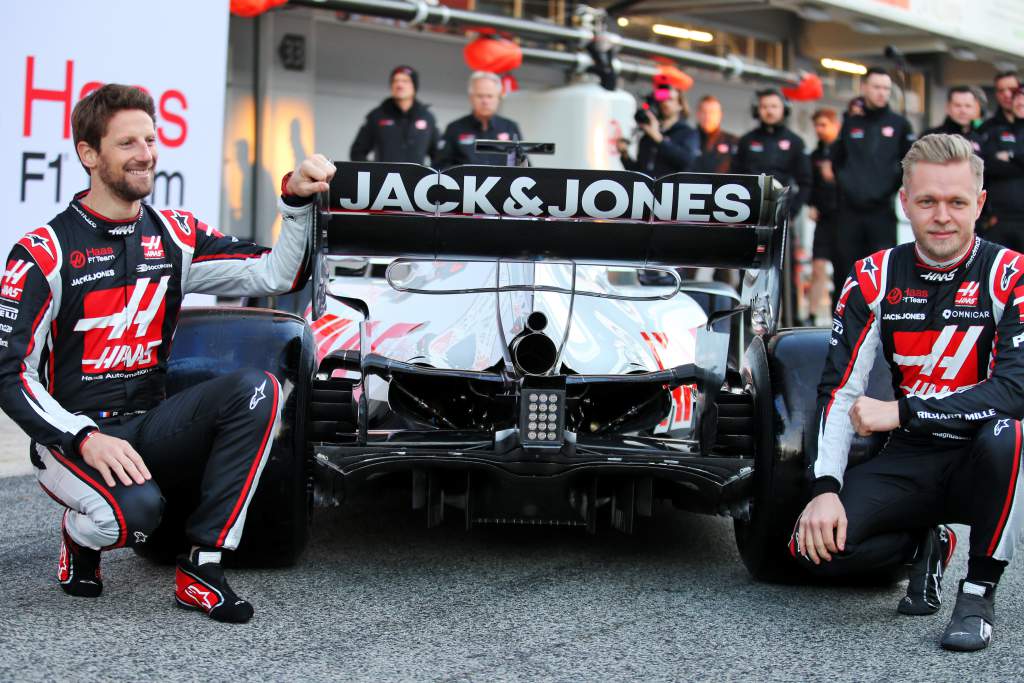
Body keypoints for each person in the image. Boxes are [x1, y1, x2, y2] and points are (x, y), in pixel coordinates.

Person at [0, 84, 335, 623]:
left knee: (257, 391)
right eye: (127, 142)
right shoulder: (43, 252)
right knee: (135, 518)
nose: (146, 154)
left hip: (149, 422)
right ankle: (79, 535)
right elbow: (8, 373)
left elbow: (277, 273)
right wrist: (82, 437)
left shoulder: (176, 236)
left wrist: (294, 202)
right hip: (73, 438)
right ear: (89, 154)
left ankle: (202, 568)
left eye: (151, 140)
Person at [793, 133, 1023, 652]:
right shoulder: (872, 277)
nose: (942, 215)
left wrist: (902, 411)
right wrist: (824, 487)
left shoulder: (1012, 274)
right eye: (928, 201)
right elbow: (840, 391)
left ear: (979, 204)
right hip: (913, 457)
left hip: (982, 452)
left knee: (1010, 432)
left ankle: (977, 594)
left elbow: (1015, 391)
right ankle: (929, 540)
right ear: (905, 202)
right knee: (816, 549)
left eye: (957, 202)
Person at [830, 67, 914, 294]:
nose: (881, 93)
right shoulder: (850, 123)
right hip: (849, 210)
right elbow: (837, 161)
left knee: (882, 269)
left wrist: (887, 188)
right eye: (876, 87)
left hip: (881, 211)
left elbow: (908, 163)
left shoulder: (899, 125)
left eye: (886, 88)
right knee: (845, 271)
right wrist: (848, 186)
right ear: (864, 88)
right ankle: (843, 320)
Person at [731, 89, 812, 216]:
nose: (769, 111)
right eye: (764, 106)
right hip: (747, 211)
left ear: (784, 109)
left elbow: (805, 182)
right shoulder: (746, 141)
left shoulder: (795, 142)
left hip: (781, 212)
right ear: (756, 110)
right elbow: (733, 177)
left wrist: (792, 212)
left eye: (774, 106)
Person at [349, 65, 440, 165]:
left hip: (417, 179)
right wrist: (375, 173)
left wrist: (429, 176)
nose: (399, 85)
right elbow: (357, 152)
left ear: (414, 86)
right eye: (395, 81)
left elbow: (439, 156)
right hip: (384, 179)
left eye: (405, 81)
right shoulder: (377, 116)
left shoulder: (427, 117)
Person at [436, 71, 524, 168]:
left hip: (504, 183)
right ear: (471, 98)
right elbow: (440, 167)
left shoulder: (510, 127)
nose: (485, 101)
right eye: (480, 96)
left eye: (489, 96)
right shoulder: (455, 129)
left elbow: (523, 166)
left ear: (498, 98)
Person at [979, 72, 1024, 252]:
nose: (1006, 95)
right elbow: (986, 165)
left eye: (1011, 90)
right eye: (1001, 90)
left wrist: (1011, 157)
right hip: (998, 219)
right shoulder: (988, 128)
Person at [618, 84, 700, 177]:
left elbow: (686, 160)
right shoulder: (648, 136)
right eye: (662, 100)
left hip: (670, 188)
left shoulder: (687, 133)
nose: (665, 103)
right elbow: (640, 171)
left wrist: (658, 138)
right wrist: (625, 155)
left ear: (680, 105)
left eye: (670, 99)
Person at [807, 108, 841, 322]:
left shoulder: (843, 151)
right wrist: (811, 204)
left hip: (843, 217)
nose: (820, 130)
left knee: (842, 267)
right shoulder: (814, 156)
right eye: (817, 125)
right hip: (823, 218)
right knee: (818, 267)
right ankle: (811, 313)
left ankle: (839, 311)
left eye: (824, 125)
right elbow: (809, 182)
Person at [922, 86, 984, 152]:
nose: (963, 110)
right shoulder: (930, 138)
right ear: (947, 107)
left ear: (975, 109)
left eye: (968, 106)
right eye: (957, 105)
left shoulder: (980, 139)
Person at [692, 95, 737, 174]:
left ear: (720, 115)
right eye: (704, 112)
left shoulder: (733, 141)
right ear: (698, 114)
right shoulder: (686, 138)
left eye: (712, 112)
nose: (707, 116)